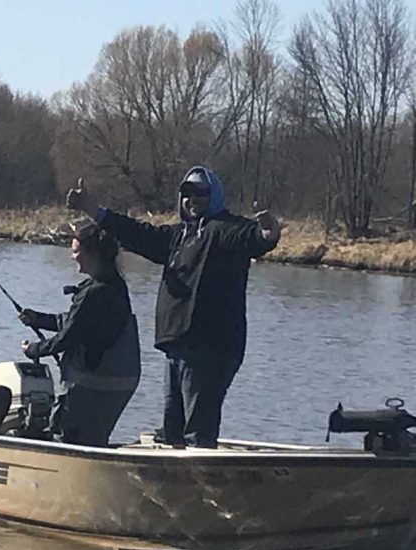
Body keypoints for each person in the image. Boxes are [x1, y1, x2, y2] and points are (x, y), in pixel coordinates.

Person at [66, 166, 281, 448]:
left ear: (214, 196)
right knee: (172, 430)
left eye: (201, 193)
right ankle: (170, 480)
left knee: (197, 431)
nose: (192, 199)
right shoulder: (177, 237)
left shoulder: (224, 230)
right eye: (187, 193)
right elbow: (134, 233)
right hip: (177, 346)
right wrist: (92, 209)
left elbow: (253, 239)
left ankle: (201, 480)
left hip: (210, 349)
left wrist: (269, 232)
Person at [19, 224, 141, 447]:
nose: (72, 256)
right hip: (118, 385)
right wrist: (39, 319)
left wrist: (33, 350)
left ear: (92, 254)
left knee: (66, 436)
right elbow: (80, 323)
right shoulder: (116, 285)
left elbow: (68, 337)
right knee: (94, 439)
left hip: (90, 384)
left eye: (76, 251)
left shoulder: (93, 293)